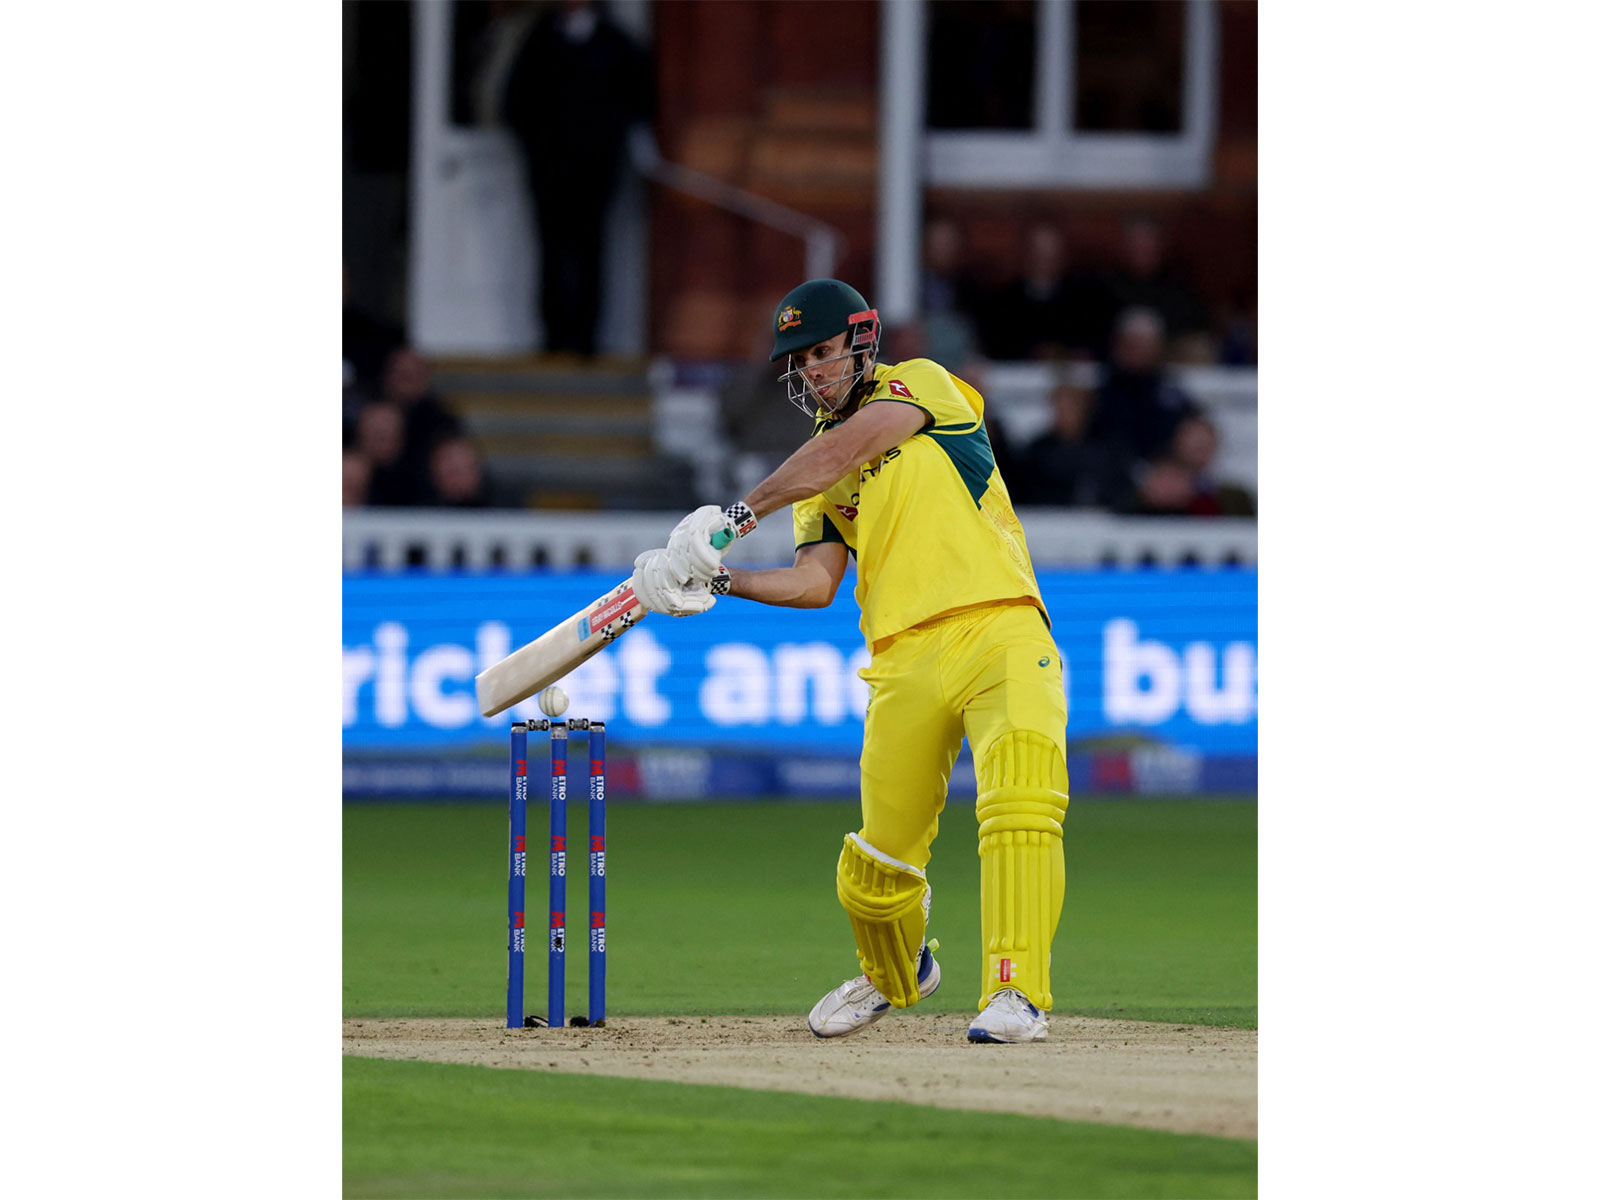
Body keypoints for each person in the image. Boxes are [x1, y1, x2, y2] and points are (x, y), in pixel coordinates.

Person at [630, 279, 1072, 1044]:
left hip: (1002, 630)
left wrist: (733, 521)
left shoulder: (924, 387)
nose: (811, 373)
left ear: (862, 342)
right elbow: (813, 583)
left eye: (822, 353)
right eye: (798, 363)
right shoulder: (819, 479)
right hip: (902, 659)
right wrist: (719, 580)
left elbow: (844, 446)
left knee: (1022, 807)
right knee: (874, 870)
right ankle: (897, 975)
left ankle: (1016, 993)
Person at [501, 0, 652, 356]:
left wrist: (608, 142)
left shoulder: (615, 43)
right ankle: (552, 338)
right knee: (551, 251)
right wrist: (538, 145)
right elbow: (515, 101)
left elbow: (638, 101)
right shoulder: (540, 39)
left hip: (595, 170)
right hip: (549, 169)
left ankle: (587, 340)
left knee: (591, 251)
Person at [1016, 384, 1133, 509]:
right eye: (1061, 407)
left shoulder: (1106, 448)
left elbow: (1120, 489)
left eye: (1073, 406)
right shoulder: (1038, 451)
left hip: (1100, 521)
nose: (1067, 413)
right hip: (1049, 520)